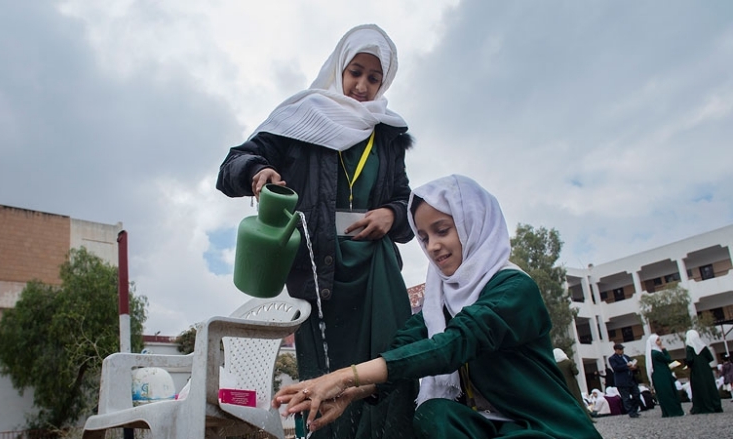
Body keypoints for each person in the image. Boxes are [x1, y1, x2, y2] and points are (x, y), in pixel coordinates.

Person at [272, 175, 602, 438]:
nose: (433, 246)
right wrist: (349, 391)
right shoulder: (438, 303)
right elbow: (406, 349)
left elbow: (452, 345)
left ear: (474, 224)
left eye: (442, 230)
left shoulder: (513, 289)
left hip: (542, 426)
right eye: (425, 237)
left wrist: (345, 375)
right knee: (435, 415)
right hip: (488, 426)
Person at [216, 24, 418, 438]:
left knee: (388, 370)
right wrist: (258, 172)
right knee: (323, 387)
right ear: (339, 69)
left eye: (373, 78)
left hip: (375, 269)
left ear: (384, 82)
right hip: (319, 271)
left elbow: (405, 200)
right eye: (355, 72)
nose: (362, 85)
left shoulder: (389, 135)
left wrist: (392, 216)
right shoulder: (302, 116)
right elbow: (233, 164)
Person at [685, 329, 723, 414]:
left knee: (700, 388)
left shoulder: (689, 347)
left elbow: (689, 360)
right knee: (710, 387)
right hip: (706, 370)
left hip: (696, 372)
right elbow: (710, 358)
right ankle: (715, 405)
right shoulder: (703, 346)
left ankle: (702, 407)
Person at [646, 334, 684, 417]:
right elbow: (668, 359)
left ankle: (667, 412)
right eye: (658, 340)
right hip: (662, 375)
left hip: (660, 374)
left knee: (663, 393)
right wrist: (664, 350)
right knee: (668, 392)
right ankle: (674, 411)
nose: (660, 342)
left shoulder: (653, 352)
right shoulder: (656, 353)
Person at [608, 343, 641, 418]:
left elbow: (631, 365)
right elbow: (616, 368)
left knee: (637, 394)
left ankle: (635, 409)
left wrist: (634, 367)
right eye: (620, 349)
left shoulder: (626, 357)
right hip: (622, 381)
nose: (622, 351)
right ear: (616, 350)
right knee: (626, 398)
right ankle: (631, 412)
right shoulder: (612, 358)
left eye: (622, 349)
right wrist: (626, 366)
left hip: (631, 379)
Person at [553, 348, 588, 416]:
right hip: (572, 384)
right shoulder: (569, 362)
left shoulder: (555, 365)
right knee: (578, 399)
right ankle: (584, 416)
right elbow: (576, 372)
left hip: (562, 385)